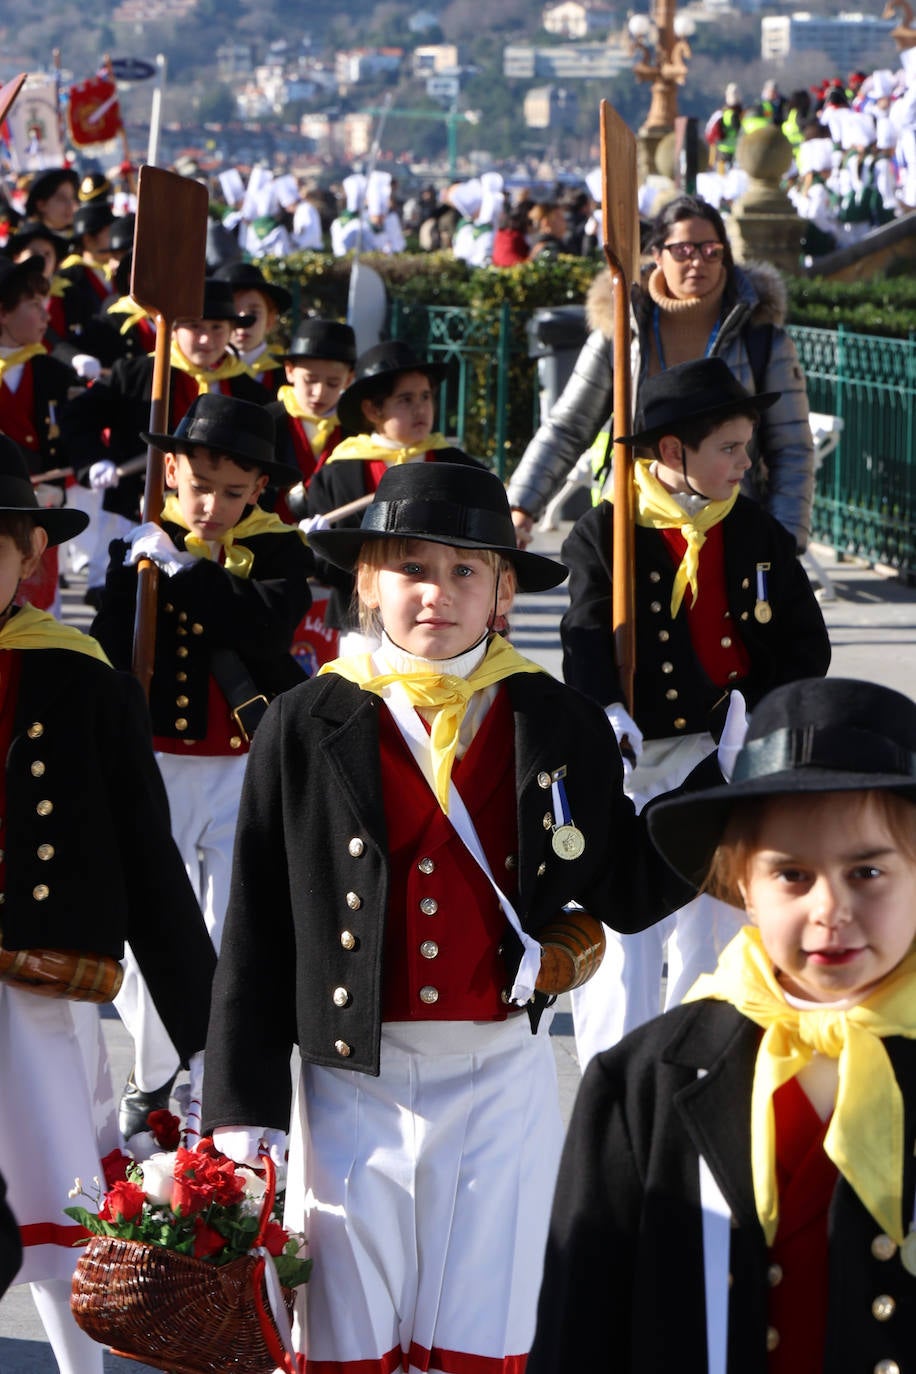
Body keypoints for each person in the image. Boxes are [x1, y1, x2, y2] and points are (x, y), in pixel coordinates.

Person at [201, 459, 700, 1374]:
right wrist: (241, 1118)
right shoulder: (303, 722)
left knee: (482, 1334)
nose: (439, 592)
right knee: (347, 1333)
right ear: (367, 583)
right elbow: (258, 935)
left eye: (467, 570)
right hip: (348, 1081)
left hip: (500, 1077)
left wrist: (721, 809)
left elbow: (627, 886)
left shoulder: (557, 719)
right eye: (412, 569)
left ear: (505, 589)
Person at [529, 674, 916, 1374]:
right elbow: (579, 1333)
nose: (830, 909)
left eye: (867, 872)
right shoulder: (642, 1082)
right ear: (741, 884)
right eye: (792, 875)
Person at [0, 433, 215, 1374]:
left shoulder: (83, 679)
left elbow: (148, 862)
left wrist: (206, 1026)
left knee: (57, 1215)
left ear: (32, 557)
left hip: (35, 998)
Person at [560, 357, 830, 1066]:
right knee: (626, 943)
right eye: (730, 449)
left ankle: (705, 1076)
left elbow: (805, 644)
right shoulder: (604, 533)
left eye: (747, 447)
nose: (747, 463)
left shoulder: (756, 534)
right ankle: (613, 1088)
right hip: (629, 763)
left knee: (718, 927)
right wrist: (606, 707)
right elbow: (585, 634)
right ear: (674, 452)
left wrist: (759, 719)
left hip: (719, 757)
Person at [90, 392, 312, 1138]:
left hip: (242, 768)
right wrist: (139, 572)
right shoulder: (140, 544)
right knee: (148, 932)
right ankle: (155, 1069)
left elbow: (263, 628)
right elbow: (107, 647)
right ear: (172, 470)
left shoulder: (279, 550)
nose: (211, 505)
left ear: (259, 491)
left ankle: (212, 1080)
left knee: (227, 931)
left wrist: (186, 572)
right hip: (153, 764)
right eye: (198, 486)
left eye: (233, 492)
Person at [507, 194, 815, 555]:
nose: (697, 261)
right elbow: (567, 426)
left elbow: (791, 446)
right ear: (657, 255)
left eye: (711, 250)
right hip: (636, 524)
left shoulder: (762, 338)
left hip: (729, 527)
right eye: (683, 250)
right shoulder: (621, 330)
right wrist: (521, 506)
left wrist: (784, 538)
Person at [61, 277, 270, 605]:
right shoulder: (136, 374)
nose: (206, 338)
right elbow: (78, 418)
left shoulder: (249, 391)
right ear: (172, 329)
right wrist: (94, 461)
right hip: (134, 512)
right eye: (195, 326)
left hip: (216, 524)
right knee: (120, 606)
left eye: (217, 328)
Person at [307, 339, 482, 646]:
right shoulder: (339, 471)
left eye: (426, 397)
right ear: (373, 409)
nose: (421, 409)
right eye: (406, 399)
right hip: (364, 623)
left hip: (441, 616)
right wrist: (318, 545)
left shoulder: (457, 467)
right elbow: (327, 566)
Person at [0, 253, 80, 613]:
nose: (46, 315)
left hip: (40, 503)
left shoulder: (53, 372)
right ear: (3, 312)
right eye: (34, 305)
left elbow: (74, 433)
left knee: (39, 604)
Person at [267, 316, 357, 508]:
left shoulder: (356, 428)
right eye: (310, 380)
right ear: (289, 371)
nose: (319, 392)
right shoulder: (267, 421)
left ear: (348, 379)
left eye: (333, 383)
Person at [213, 259, 292, 393]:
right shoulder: (203, 369)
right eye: (232, 311)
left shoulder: (288, 374)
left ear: (270, 320)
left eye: (254, 312)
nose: (244, 321)